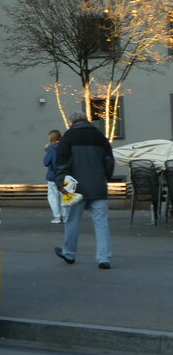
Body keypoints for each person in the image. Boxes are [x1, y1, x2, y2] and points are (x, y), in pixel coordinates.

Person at [54, 111, 115, 269]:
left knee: (73, 221)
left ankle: (69, 253)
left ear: (71, 122)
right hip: (98, 186)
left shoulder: (68, 137)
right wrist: (105, 178)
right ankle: (104, 258)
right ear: (86, 120)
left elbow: (61, 162)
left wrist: (61, 183)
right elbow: (109, 161)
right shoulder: (100, 137)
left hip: (75, 188)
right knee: (101, 223)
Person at [43, 129, 68, 224]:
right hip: (65, 175)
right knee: (64, 196)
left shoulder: (52, 148)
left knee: (53, 197)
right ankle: (65, 216)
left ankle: (57, 216)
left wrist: (47, 151)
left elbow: (46, 162)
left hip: (53, 176)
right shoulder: (66, 147)